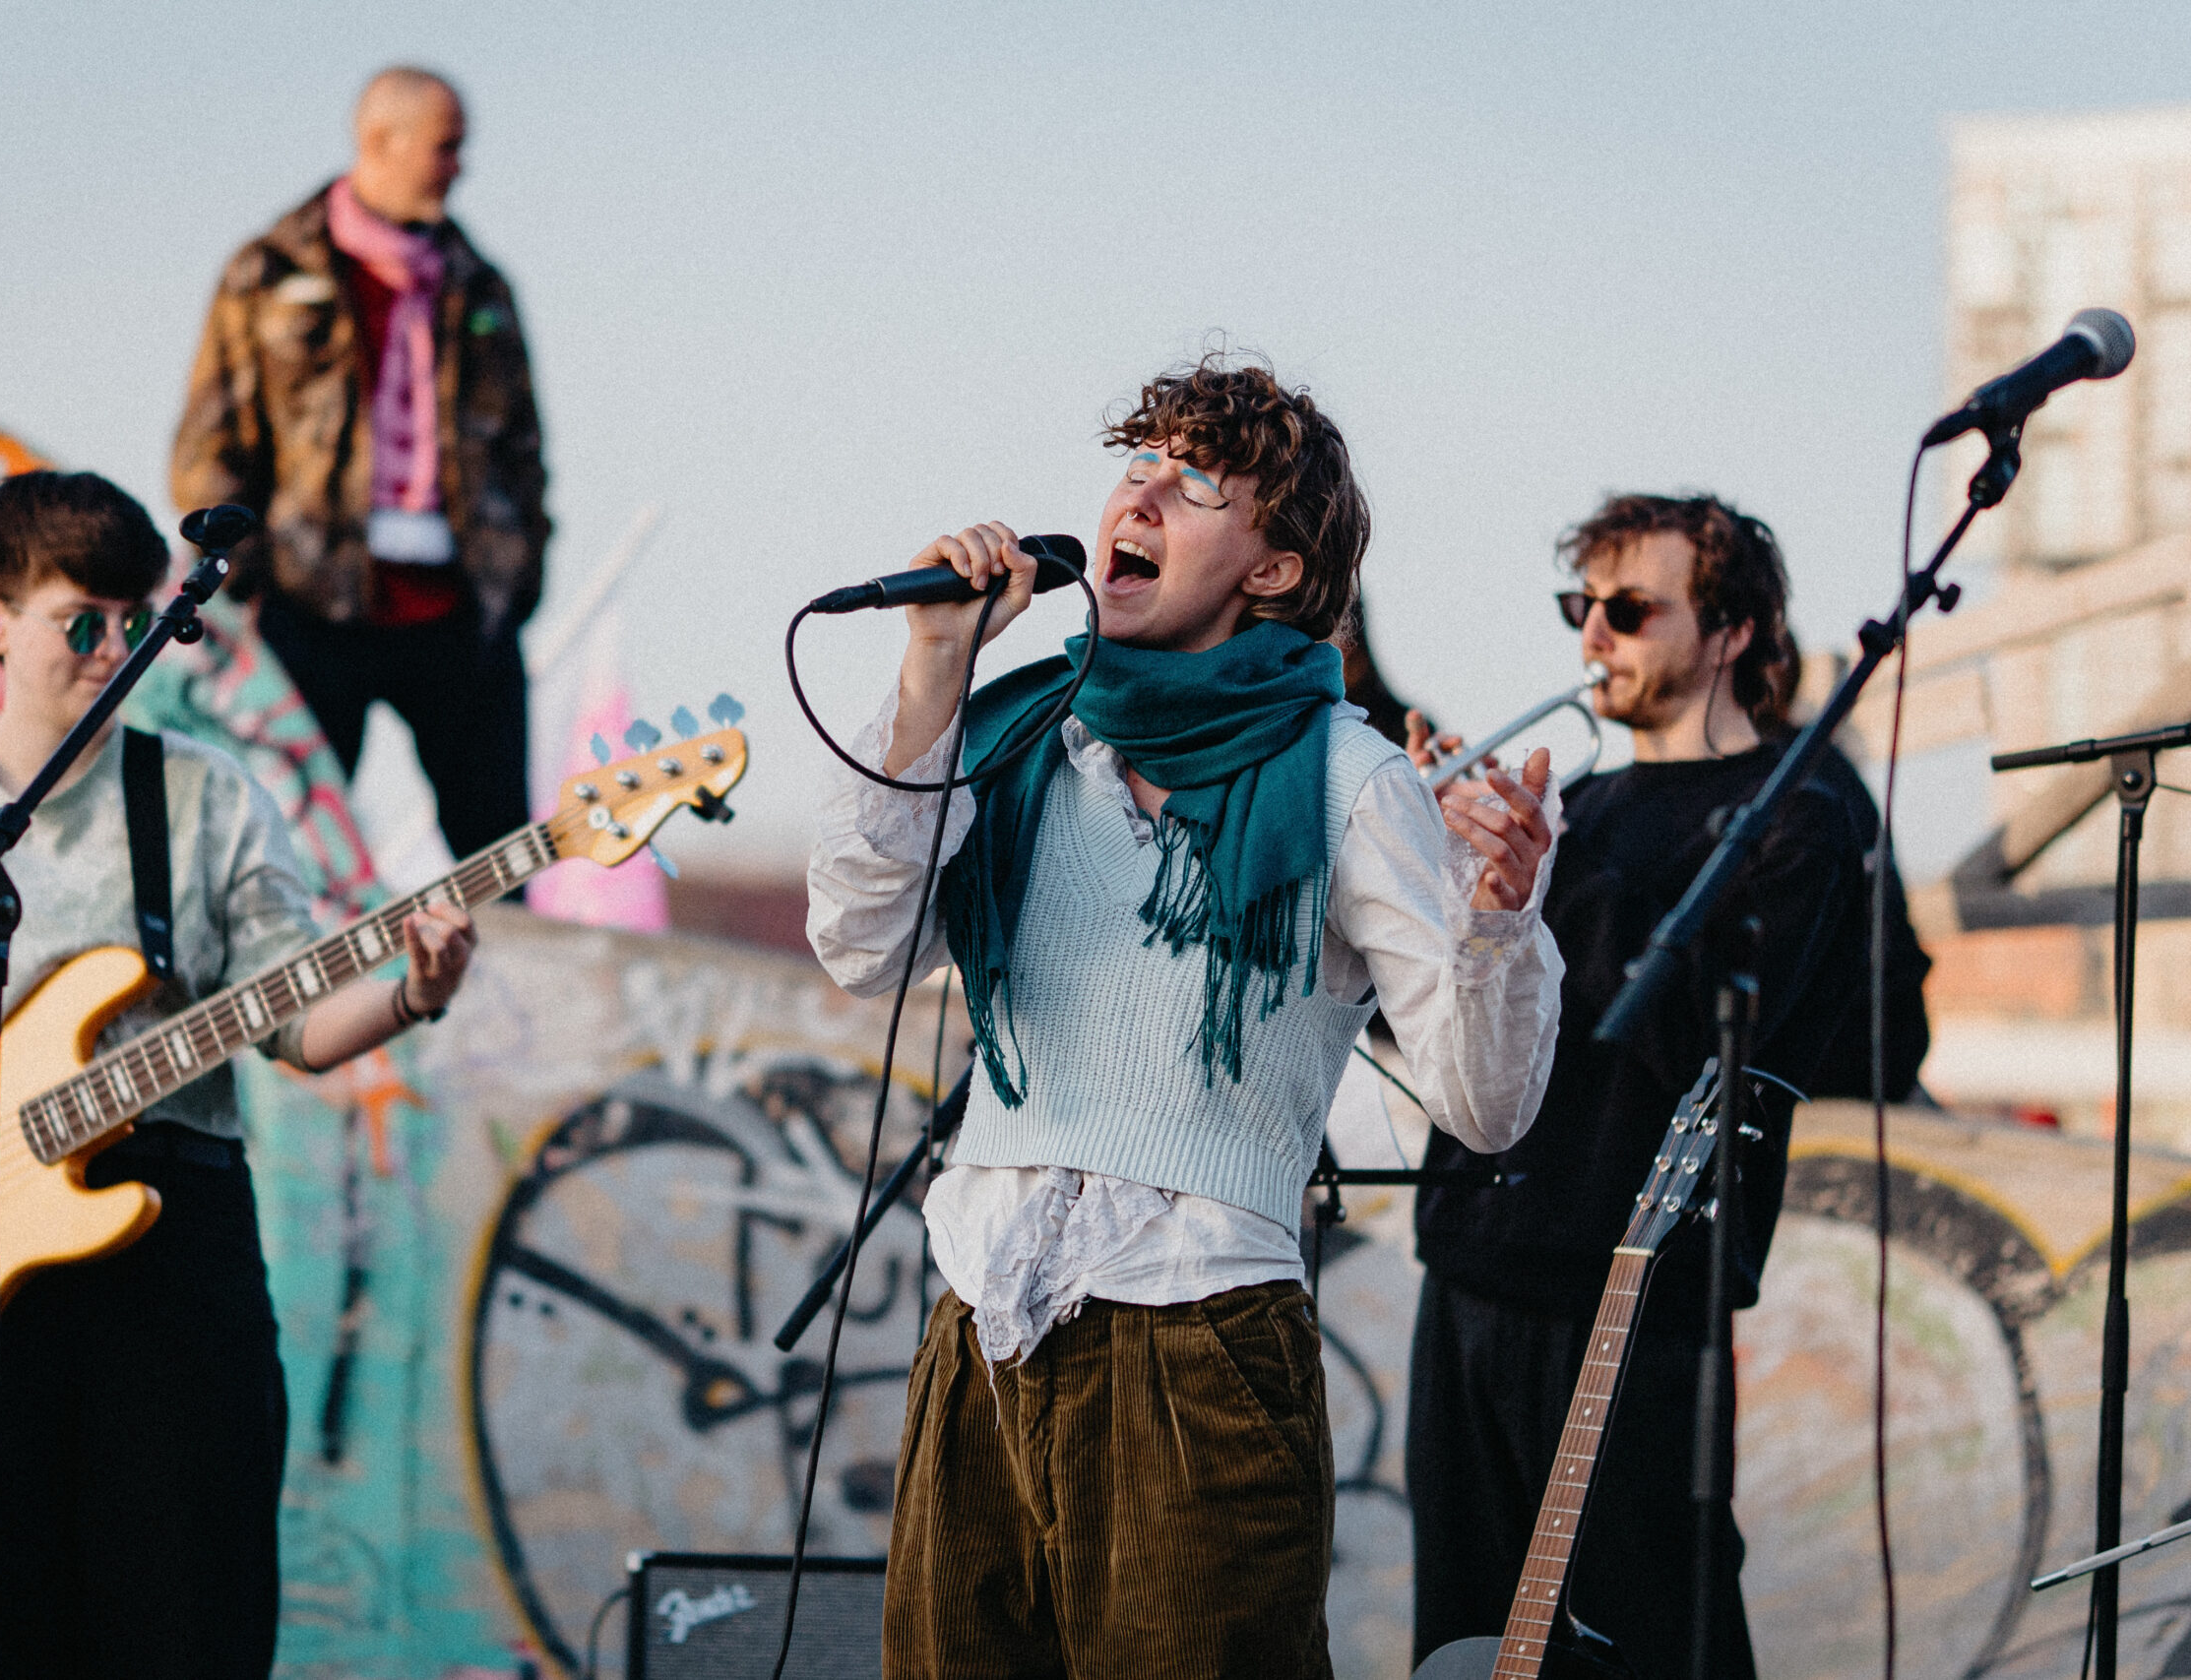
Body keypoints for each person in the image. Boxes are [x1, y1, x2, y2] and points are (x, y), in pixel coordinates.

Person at [807, 355, 1566, 1678]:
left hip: (1199, 1340)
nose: (1142, 496)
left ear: (1273, 569)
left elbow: (1483, 1104)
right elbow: (858, 944)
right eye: (1138, 465)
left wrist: (1498, 921)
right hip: (981, 1324)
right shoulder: (1012, 738)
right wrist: (932, 663)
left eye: (1197, 482)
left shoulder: (1349, 777)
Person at [0, 471, 474, 1680]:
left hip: (173, 1256)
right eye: (81, 622)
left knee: (187, 1621)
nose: (114, 648)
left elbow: (294, 1021)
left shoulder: (203, 797)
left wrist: (413, 991)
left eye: (132, 621)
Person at [1403, 493, 1930, 1679]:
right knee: (1464, 1645)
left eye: (1630, 608)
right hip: (1470, 1271)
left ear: (1731, 630)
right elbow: (1451, 1021)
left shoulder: (1799, 819)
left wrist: (1548, 866)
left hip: (1632, 1306)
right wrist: (1443, 875)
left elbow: (1700, 1037)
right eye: (1580, 605)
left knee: (1650, 1643)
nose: (1593, 635)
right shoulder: (1579, 807)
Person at [172, 64, 549, 860]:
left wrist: (518, 579)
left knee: (502, 854)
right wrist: (246, 588)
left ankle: (490, 953)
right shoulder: (268, 274)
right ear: (381, 141)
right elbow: (212, 442)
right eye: (445, 147)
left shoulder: (482, 287)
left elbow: (523, 448)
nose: (459, 167)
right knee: (283, 850)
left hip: (462, 612)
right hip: (310, 608)